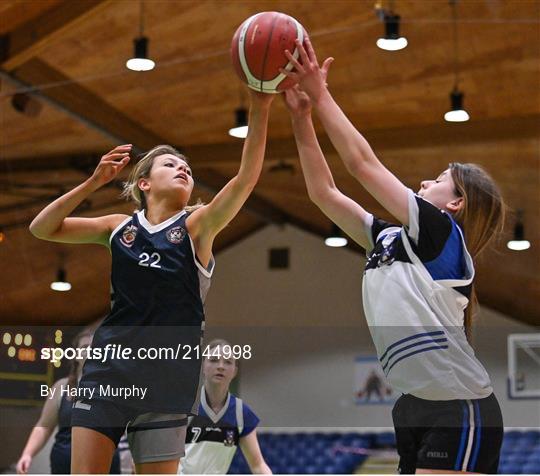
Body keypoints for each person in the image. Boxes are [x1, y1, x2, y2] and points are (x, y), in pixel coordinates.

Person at [280, 37, 505, 474]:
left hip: (457, 407)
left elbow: (361, 164)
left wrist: (321, 93)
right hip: (413, 405)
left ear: (455, 203)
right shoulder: (387, 239)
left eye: (439, 178)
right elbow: (323, 194)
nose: (424, 180)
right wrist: (302, 119)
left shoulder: (441, 234)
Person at [29, 88, 274, 474]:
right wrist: (93, 182)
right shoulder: (117, 227)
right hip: (108, 370)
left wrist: (261, 105)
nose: (183, 170)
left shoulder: (197, 227)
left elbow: (245, 179)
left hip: (168, 375)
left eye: (187, 170)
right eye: (171, 164)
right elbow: (42, 228)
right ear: (144, 183)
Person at [16, 329, 121, 474]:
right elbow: (44, 425)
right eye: (85, 348)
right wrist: (27, 454)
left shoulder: (114, 387)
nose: (91, 351)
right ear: (76, 356)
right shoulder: (61, 387)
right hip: (63, 466)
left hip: (106, 466)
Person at [180, 339, 271, 474]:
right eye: (214, 360)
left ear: (234, 371)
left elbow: (257, 465)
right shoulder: (183, 406)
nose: (221, 366)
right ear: (202, 366)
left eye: (228, 362)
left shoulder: (241, 413)